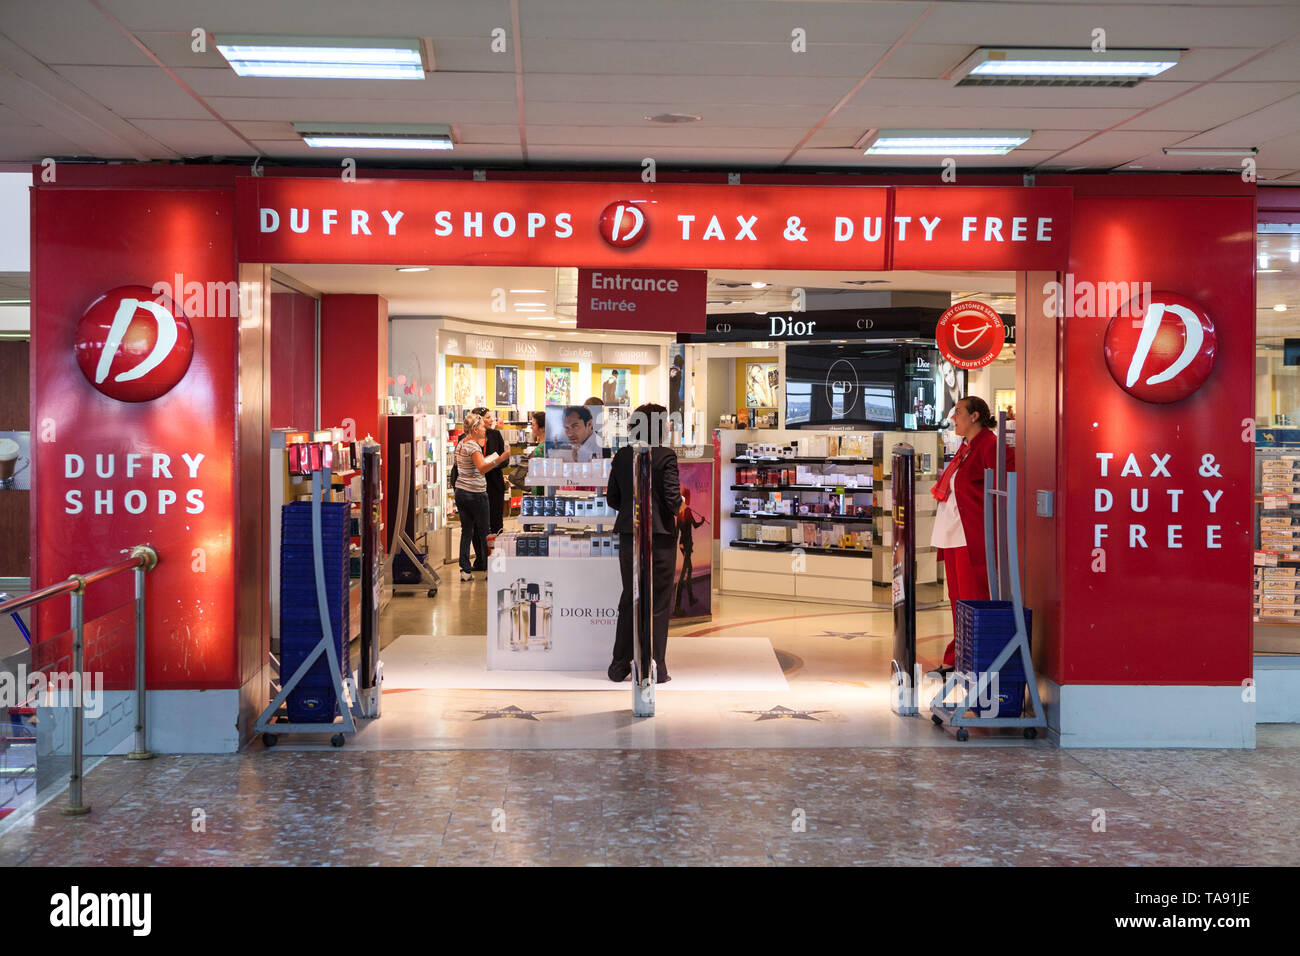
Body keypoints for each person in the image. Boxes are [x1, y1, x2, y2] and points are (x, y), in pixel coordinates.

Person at [929, 396, 1014, 674]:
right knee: (957, 598)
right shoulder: (965, 447)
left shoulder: (990, 445)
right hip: (954, 533)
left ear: (975, 416)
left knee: (972, 598)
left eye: (958, 413)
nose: (954, 418)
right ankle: (958, 656)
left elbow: (1010, 477)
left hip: (972, 535)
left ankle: (974, 658)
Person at [605, 403, 683, 684]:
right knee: (659, 601)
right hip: (660, 538)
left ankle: (619, 665)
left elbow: (612, 498)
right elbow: (673, 501)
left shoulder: (623, 455)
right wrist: (681, 503)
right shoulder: (666, 456)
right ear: (660, 427)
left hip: (629, 536)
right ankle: (656, 667)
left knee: (631, 597)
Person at [454, 411, 500, 582]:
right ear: (474, 429)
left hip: (461, 491)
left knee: (466, 531)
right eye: (481, 426)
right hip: (476, 493)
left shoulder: (460, 444)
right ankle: (490, 569)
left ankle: (465, 570)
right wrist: (498, 459)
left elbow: (463, 466)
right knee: (485, 532)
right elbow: (481, 469)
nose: (484, 428)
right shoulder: (473, 446)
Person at [472, 406, 509, 535]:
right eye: (487, 417)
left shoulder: (495, 435)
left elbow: (505, 460)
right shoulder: (466, 439)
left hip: (494, 486)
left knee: (496, 522)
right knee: (477, 525)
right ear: (479, 420)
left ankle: (496, 553)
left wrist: (492, 463)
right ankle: (481, 555)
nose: (491, 420)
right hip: (476, 487)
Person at [673, 486, 709, 615]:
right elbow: (695, 526)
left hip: (683, 544)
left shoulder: (679, 512)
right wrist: (703, 521)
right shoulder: (686, 511)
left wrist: (679, 544)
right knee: (684, 574)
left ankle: (691, 599)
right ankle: (677, 607)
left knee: (689, 570)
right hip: (686, 545)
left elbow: (677, 531)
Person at [528, 410, 547, 496]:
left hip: (541, 491)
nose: (531, 427)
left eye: (533, 425)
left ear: (542, 428)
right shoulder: (545, 445)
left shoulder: (540, 449)